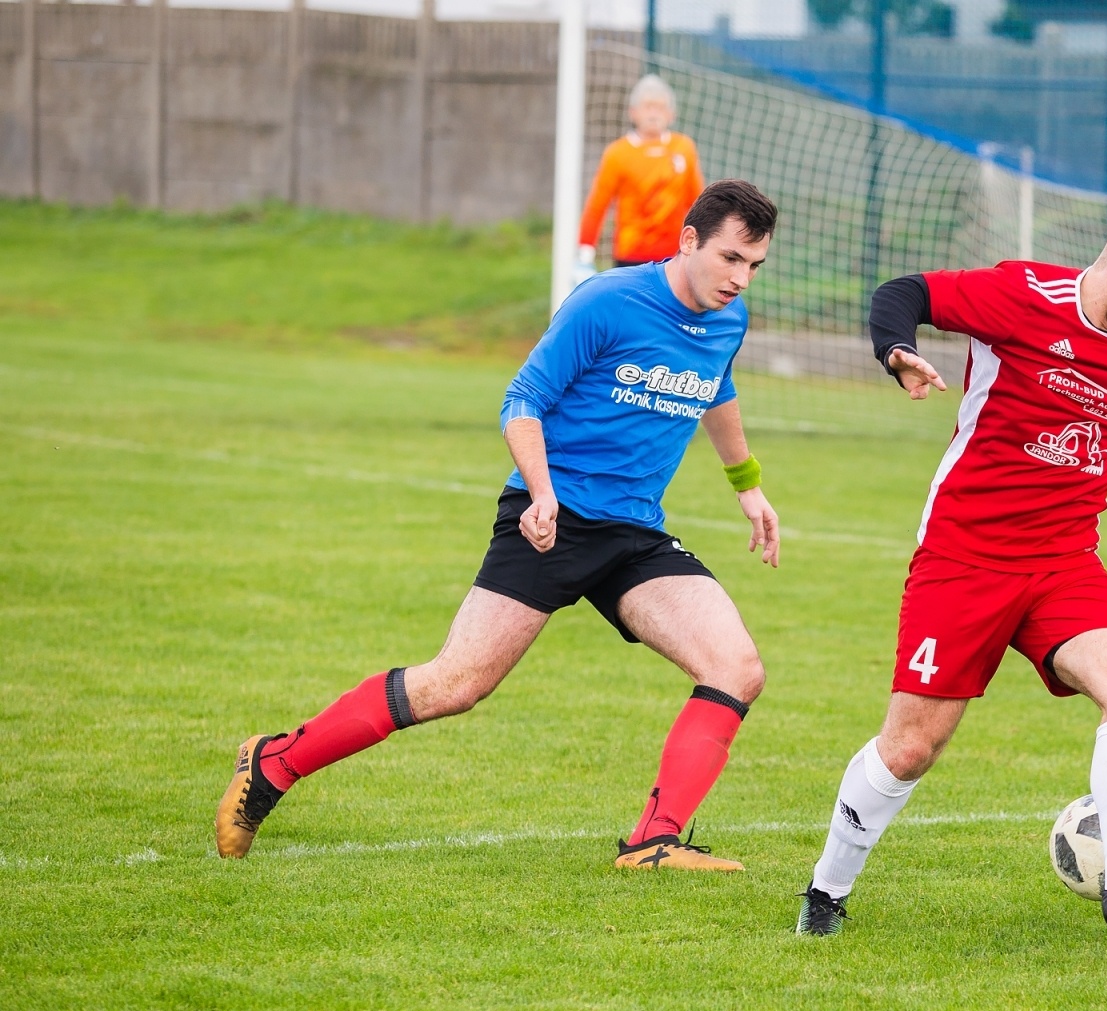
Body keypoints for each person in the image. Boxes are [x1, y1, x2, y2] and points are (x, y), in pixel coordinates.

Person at [217, 180, 782, 873]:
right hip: (550, 516)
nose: (739, 278)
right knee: (454, 685)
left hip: (633, 533)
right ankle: (274, 761)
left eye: (753, 266)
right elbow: (522, 401)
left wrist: (747, 487)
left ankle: (652, 842)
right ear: (688, 240)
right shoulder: (608, 302)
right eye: (730, 258)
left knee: (737, 667)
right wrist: (541, 493)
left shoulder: (730, 320)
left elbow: (716, 388)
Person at [794, 202, 1107, 937]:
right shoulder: (1021, 298)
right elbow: (905, 293)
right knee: (911, 747)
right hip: (964, 557)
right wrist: (896, 351)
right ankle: (826, 893)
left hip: (1063, 563)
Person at [575, 75, 703, 283]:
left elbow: (697, 202)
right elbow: (598, 205)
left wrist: (702, 244)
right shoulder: (617, 153)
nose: (653, 113)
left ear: (672, 114)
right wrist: (584, 253)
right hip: (630, 256)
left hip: (675, 255)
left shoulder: (684, 148)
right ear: (632, 112)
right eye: (647, 106)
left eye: (660, 107)